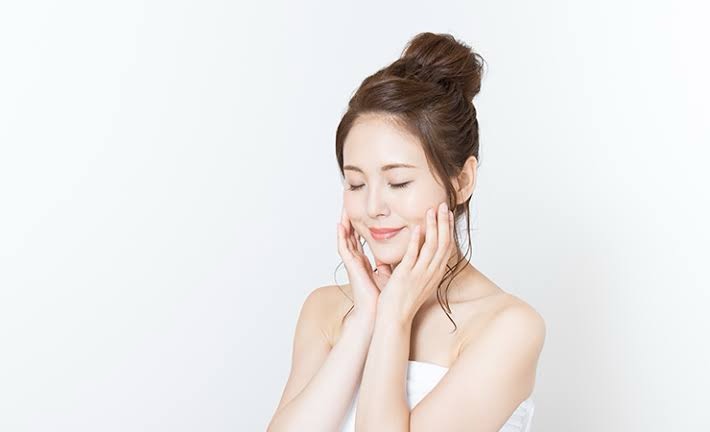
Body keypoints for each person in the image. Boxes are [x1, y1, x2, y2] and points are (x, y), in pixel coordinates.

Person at [267, 31, 546, 432]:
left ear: (462, 181)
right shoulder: (325, 310)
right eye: (356, 183)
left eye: (398, 182)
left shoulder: (508, 327)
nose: (373, 207)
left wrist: (394, 318)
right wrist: (365, 320)